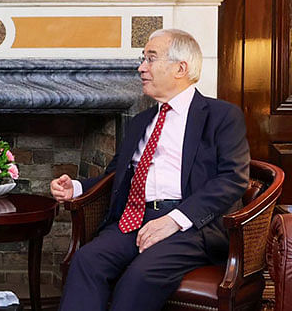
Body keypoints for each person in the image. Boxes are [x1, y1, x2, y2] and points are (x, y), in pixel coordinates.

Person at [50, 29, 250, 311]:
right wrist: (79, 187)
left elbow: (233, 179)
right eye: (142, 59)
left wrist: (175, 219)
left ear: (181, 68)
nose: (141, 67)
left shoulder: (221, 116)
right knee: (87, 260)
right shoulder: (141, 121)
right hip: (134, 218)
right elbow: (116, 175)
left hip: (190, 226)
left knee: (139, 277)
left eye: (150, 59)